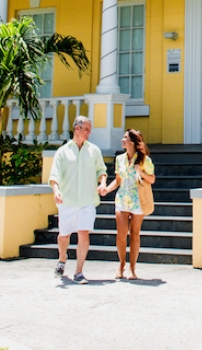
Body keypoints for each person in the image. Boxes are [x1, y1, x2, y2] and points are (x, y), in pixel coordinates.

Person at [48, 116, 109, 284]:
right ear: (77, 129)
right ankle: (62, 258)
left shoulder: (94, 151)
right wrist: (56, 191)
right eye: (87, 129)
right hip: (67, 201)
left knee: (83, 233)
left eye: (90, 130)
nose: (89, 133)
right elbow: (54, 175)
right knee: (64, 236)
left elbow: (101, 170)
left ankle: (79, 271)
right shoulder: (63, 152)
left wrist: (102, 182)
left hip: (87, 200)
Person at [104, 128, 155, 280]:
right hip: (122, 198)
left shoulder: (144, 160)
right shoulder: (119, 159)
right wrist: (107, 189)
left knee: (134, 234)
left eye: (125, 138)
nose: (122, 140)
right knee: (121, 234)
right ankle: (121, 264)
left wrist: (141, 172)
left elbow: (152, 179)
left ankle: (132, 269)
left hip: (137, 200)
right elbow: (118, 180)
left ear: (132, 142)